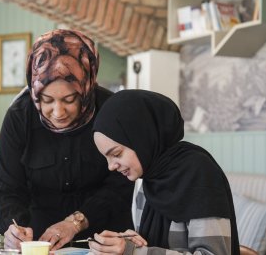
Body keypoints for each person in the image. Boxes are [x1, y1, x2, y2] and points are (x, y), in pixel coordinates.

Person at [0, 29, 134, 251]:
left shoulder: (111, 111)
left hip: (106, 242)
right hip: (41, 242)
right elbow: (7, 187)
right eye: (46, 100)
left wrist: (75, 222)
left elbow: (122, 184)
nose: (58, 112)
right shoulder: (20, 116)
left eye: (69, 99)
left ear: (86, 88)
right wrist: (13, 227)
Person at [90, 90, 240, 255]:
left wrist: (135, 252)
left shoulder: (199, 173)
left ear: (141, 137)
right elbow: (154, 247)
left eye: (116, 154)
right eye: (106, 158)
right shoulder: (149, 178)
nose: (111, 166)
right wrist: (132, 243)